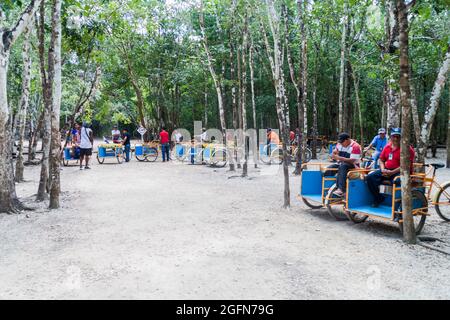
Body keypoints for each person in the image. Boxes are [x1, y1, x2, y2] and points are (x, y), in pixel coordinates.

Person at [365, 128, 415, 217]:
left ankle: (397, 207)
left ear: (401, 137)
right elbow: (381, 159)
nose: (395, 139)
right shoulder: (387, 146)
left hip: (400, 172)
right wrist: (383, 169)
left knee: (396, 182)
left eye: (397, 136)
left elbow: (406, 165)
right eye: (393, 136)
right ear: (390, 137)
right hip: (387, 170)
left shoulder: (408, 149)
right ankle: (378, 198)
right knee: (370, 177)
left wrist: (392, 172)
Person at [324, 132, 362, 197]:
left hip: (353, 165)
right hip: (342, 163)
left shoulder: (355, 146)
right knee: (330, 168)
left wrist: (339, 158)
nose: (341, 143)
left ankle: (341, 189)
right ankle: (325, 186)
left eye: (342, 142)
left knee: (343, 166)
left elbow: (352, 160)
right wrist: (334, 154)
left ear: (347, 140)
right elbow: (334, 152)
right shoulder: (340, 144)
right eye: (340, 142)